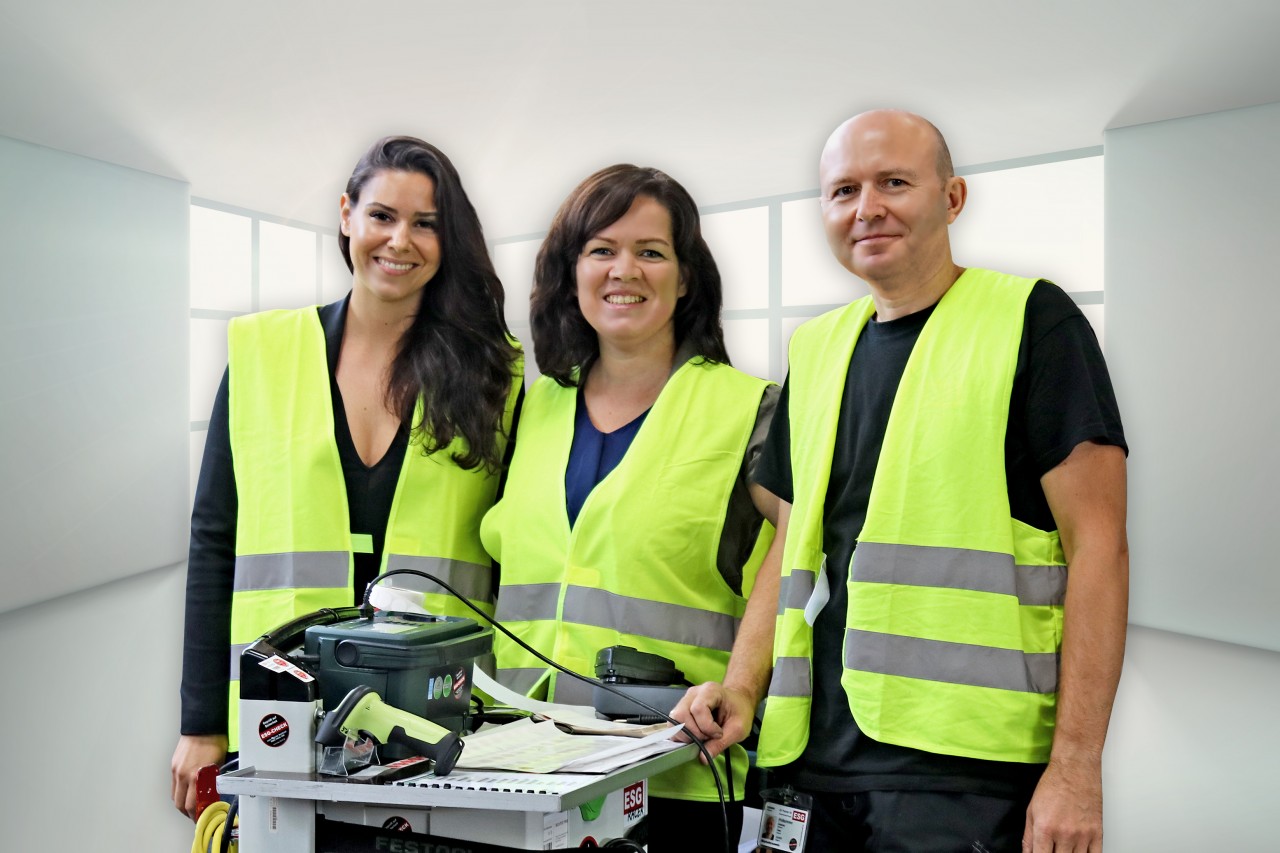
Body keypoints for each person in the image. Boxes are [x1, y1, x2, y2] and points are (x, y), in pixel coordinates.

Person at [674, 110, 1129, 853]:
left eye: (894, 182)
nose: (867, 207)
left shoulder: (1031, 322)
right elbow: (789, 546)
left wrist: (1077, 766)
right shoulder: (817, 348)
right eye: (843, 190)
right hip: (811, 764)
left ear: (951, 199)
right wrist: (743, 687)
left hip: (963, 773)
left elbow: (1100, 548)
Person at [170, 136, 523, 819]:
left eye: (426, 224)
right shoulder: (262, 354)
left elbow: (517, 556)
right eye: (383, 216)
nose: (401, 240)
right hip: (281, 714)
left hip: (435, 721)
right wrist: (198, 719)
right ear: (345, 215)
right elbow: (214, 540)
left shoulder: (494, 377)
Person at [480, 164, 783, 852]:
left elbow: (798, 542)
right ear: (571, 274)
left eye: (651, 251)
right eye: (601, 251)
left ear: (686, 277)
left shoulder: (748, 408)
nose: (626, 270)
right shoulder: (530, 408)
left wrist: (740, 684)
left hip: (675, 775)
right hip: (517, 768)